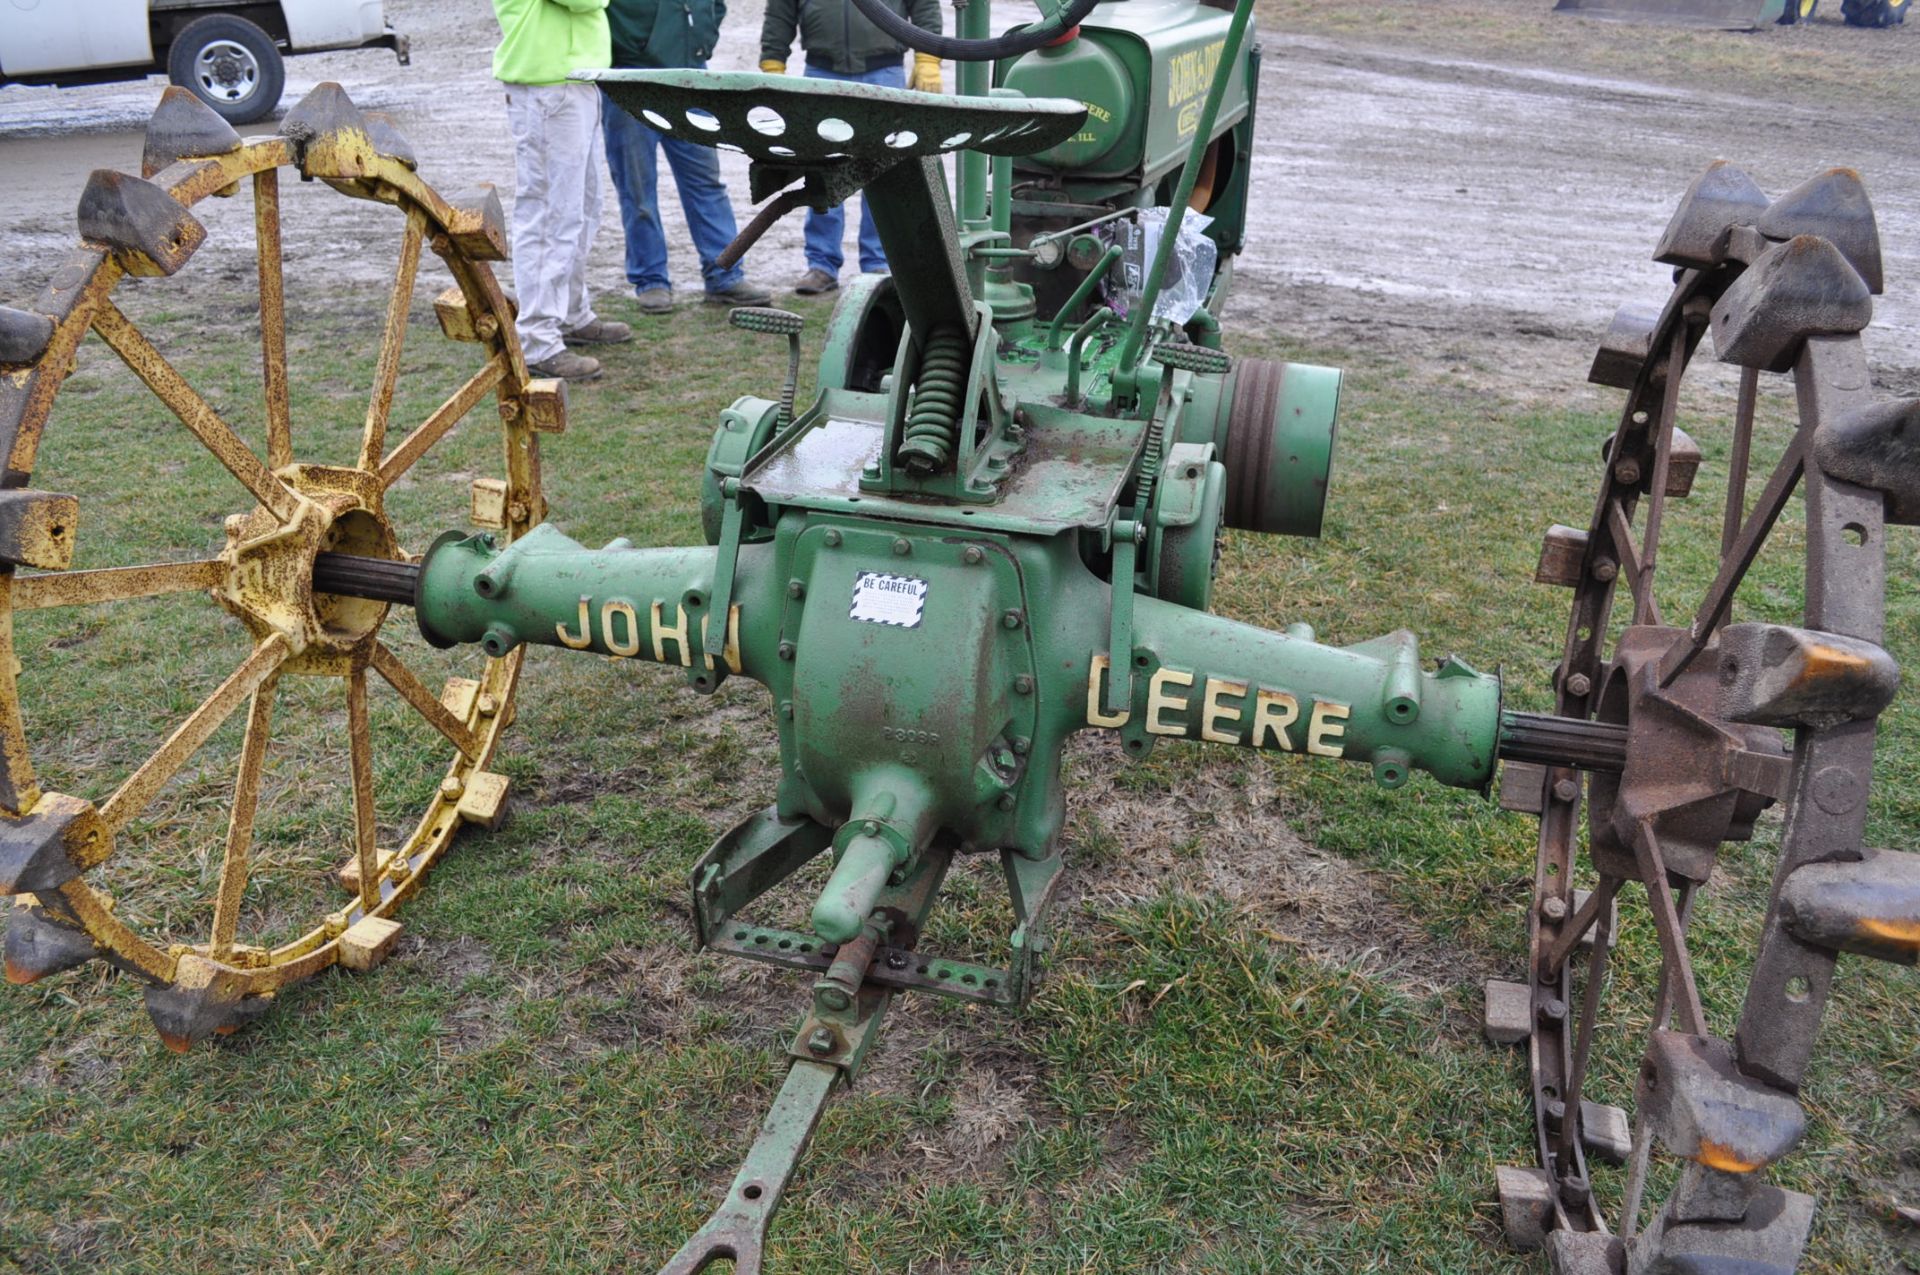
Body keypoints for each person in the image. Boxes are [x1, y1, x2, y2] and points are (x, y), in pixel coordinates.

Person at [759, 0, 942, 295]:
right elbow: (780, 9)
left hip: (884, 72)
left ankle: (879, 264)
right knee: (821, 173)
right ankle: (822, 265)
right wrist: (772, 63)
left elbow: (924, 5)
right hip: (821, 72)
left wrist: (928, 57)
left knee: (881, 173)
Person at [490, 0, 632, 382]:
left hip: (568, 81)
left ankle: (569, 313)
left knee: (580, 209)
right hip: (548, 86)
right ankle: (537, 339)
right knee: (551, 214)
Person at [603, 0, 773, 313]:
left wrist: (701, 40)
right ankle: (651, 281)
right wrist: (636, 43)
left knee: (706, 183)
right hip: (630, 79)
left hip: (691, 78)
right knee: (637, 189)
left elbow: (715, 5)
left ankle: (725, 276)